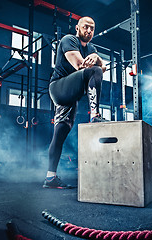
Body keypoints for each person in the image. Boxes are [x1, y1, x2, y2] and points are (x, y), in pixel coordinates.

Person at [43, 16, 106, 189]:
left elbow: (104, 68)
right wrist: (97, 63)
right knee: (94, 71)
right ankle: (95, 116)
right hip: (59, 88)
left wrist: (96, 57)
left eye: (92, 28)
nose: (89, 31)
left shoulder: (92, 48)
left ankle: (50, 178)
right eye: (86, 27)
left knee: (61, 131)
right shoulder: (69, 40)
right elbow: (80, 65)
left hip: (71, 94)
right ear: (78, 28)